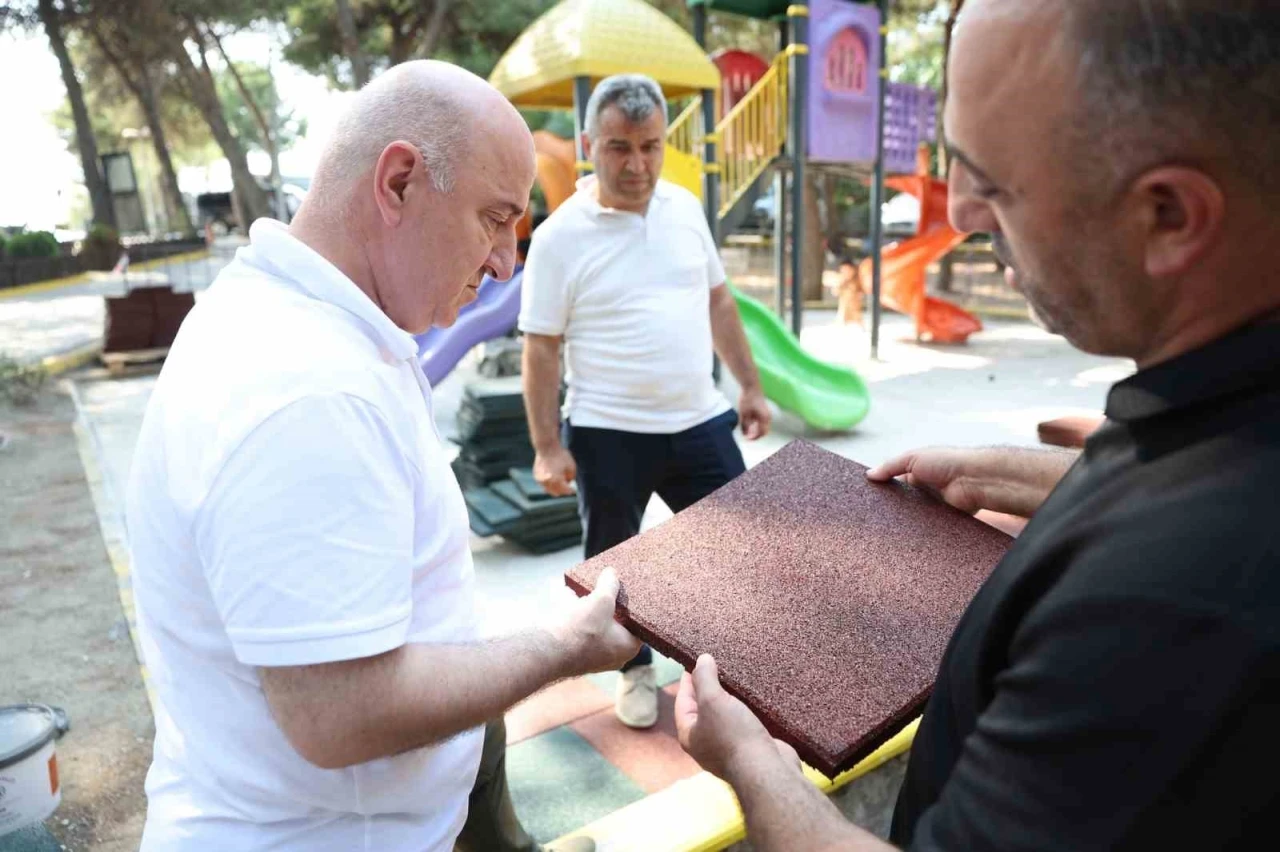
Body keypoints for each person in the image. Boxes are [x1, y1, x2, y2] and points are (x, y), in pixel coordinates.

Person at [674, 0, 1280, 849]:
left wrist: (750, 761)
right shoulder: (1229, 408)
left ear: (1169, 216)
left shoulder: (1166, 610)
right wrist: (1032, 477)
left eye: (990, 181)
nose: (958, 212)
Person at [126, 60, 638, 852]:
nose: (506, 262)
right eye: (495, 219)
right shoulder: (309, 393)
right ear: (398, 183)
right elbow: (342, 712)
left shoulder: (300, 319)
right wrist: (563, 648)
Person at [519, 74, 772, 729]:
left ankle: (720, 665)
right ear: (588, 147)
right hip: (608, 431)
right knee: (616, 572)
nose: (637, 165)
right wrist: (546, 445)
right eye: (619, 148)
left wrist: (748, 385)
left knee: (740, 551)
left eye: (650, 147)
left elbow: (719, 302)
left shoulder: (685, 208)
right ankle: (633, 672)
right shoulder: (558, 237)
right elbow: (541, 347)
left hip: (699, 419)